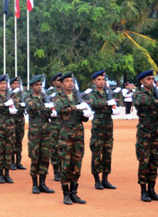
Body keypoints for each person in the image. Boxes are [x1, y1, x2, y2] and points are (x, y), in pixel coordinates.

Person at [133, 70, 158, 203]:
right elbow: (143, 102)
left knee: (155, 160)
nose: (151, 81)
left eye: (152, 79)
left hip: (156, 131)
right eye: (148, 79)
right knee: (144, 161)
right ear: (142, 81)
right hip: (144, 131)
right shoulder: (139, 93)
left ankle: (152, 189)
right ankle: (143, 191)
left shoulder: (156, 94)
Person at [54, 73, 92, 205]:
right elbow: (60, 110)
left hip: (78, 133)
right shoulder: (59, 97)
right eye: (67, 81)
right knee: (66, 163)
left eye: (71, 81)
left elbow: (83, 117)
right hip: (66, 134)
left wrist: (86, 114)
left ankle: (74, 193)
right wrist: (76, 107)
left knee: (77, 163)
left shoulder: (78, 97)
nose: (70, 83)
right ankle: (65, 194)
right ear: (62, 84)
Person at [84, 70, 117, 190]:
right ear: (94, 81)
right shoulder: (92, 93)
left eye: (103, 79)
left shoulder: (107, 92)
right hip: (98, 127)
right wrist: (108, 103)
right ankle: (97, 180)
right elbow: (95, 104)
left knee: (107, 153)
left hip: (108, 127)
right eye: (99, 79)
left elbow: (111, 105)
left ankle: (105, 179)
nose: (101, 82)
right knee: (97, 153)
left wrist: (113, 107)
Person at [25, 75, 55, 194]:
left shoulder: (45, 97)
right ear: (32, 86)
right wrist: (46, 106)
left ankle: (43, 183)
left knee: (45, 156)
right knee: (35, 156)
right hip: (35, 130)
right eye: (36, 85)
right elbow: (31, 106)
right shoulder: (28, 96)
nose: (39, 87)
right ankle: (34, 184)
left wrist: (52, 110)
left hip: (46, 129)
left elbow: (52, 109)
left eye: (40, 85)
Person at [9, 77, 27, 170]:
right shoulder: (8, 94)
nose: (17, 85)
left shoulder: (21, 94)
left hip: (20, 118)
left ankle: (18, 162)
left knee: (19, 140)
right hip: (12, 119)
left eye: (18, 83)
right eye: (15, 83)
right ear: (11, 85)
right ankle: (11, 162)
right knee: (12, 140)